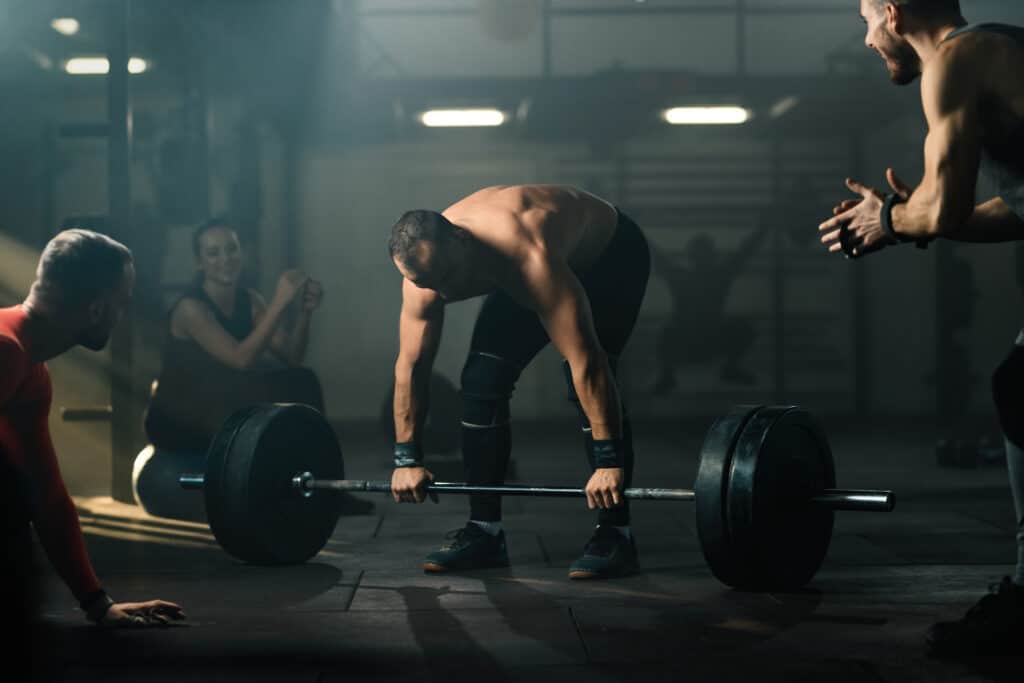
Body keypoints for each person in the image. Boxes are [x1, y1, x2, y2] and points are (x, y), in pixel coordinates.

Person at [818, 0, 1024, 656]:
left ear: (893, 11)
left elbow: (944, 207)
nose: (868, 38)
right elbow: (1010, 208)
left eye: (865, 20)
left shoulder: (956, 63)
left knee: (1022, 385)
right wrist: (911, 216)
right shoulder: (1000, 50)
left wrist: (894, 220)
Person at [388, 185, 650, 580]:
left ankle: (617, 533)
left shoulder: (528, 254)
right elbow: (411, 366)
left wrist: (608, 461)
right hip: (518, 263)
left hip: (610, 257)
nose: (443, 293)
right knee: (480, 380)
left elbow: (587, 362)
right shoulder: (423, 276)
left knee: (583, 377)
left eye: (446, 276)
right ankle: (484, 531)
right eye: (429, 285)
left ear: (461, 237)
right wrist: (407, 458)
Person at [0, 229, 185, 627]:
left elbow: (49, 495)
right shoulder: (6, 350)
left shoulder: (29, 366)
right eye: (123, 303)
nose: (123, 315)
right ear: (99, 310)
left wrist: (98, 604)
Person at [145, 218, 325, 454]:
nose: (225, 259)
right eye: (213, 253)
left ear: (241, 253)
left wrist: (305, 312)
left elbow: (292, 357)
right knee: (247, 387)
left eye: (232, 249)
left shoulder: (249, 301)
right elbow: (240, 359)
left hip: (224, 401)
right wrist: (280, 302)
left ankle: (314, 471)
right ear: (200, 262)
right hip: (182, 415)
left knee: (302, 379)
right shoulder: (190, 308)